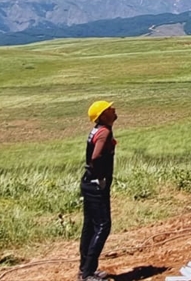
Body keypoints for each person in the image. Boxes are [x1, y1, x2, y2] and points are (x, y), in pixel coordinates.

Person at [79, 100, 117, 281]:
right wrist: (101, 176)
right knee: (103, 226)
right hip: (96, 185)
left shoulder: (98, 130)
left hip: (88, 182)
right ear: (103, 116)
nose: (113, 109)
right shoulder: (104, 132)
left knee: (89, 226)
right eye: (109, 109)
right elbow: (96, 156)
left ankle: (84, 269)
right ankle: (88, 273)